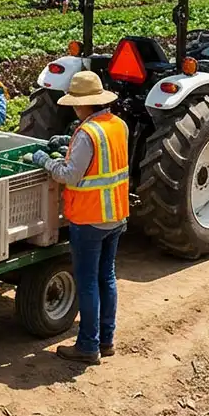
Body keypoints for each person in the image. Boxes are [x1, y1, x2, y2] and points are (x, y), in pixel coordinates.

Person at [31, 71, 128, 365]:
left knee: (86, 282)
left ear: (85, 105)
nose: (73, 108)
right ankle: (106, 340)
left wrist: (45, 161)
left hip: (89, 218)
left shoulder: (88, 133)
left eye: (75, 103)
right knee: (106, 277)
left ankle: (88, 345)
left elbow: (69, 175)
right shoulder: (117, 125)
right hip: (116, 214)